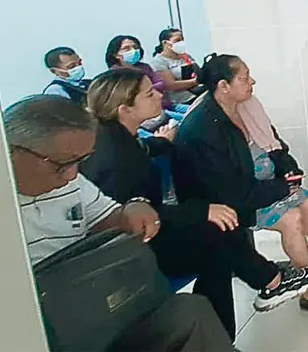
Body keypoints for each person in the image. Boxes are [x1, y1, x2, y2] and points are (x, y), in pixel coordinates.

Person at [81, 69, 308, 341]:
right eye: (149, 94)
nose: (159, 94)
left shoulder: (118, 136)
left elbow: (145, 152)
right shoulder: (113, 156)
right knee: (217, 230)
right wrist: (202, 211)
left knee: (218, 244)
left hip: (151, 230)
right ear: (124, 109)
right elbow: (131, 216)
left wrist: (163, 142)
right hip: (132, 250)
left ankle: (223, 334)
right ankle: (270, 281)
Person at [4, 95, 235, 352]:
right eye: (62, 165)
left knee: (190, 312)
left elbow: (109, 217)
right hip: (45, 325)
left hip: (93, 297)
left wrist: (133, 208)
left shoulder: (72, 183)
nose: (72, 175)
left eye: (80, 161)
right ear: (10, 151)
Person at [173, 54, 308, 314]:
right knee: (293, 219)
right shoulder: (206, 128)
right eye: (244, 78)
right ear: (223, 86)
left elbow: (273, 143)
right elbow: (232, 191)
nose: (252, 81)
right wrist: (280, 188)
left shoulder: (246, 105)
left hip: (262, 184)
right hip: (230, 202)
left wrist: (288, 168)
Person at [106, 35, 175, 112]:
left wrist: (147, 90)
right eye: (126, 48)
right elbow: (132, 94)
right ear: (116, 54)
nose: (133, 50)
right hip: (147, 111)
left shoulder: (144, 66)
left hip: (167, 104)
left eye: (135, 47)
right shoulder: (115, 74)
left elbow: (161, 83)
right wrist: (149, 89)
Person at [150, 28, 202, 105]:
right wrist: (196, 81)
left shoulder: (185, 56)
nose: (181, 43)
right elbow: (171, 85)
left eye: (182, 40)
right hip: (180, 101)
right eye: (177, 40)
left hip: (197, 93)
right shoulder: (158, 62)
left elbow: (198, 71)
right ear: (165, 43)